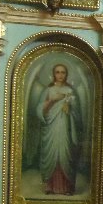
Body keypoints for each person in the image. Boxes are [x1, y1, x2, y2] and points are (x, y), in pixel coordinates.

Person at [35, 63, 83, 195]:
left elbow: (78, 113)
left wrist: (70, 108)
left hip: (66, 128)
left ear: (66, 74)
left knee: (65, 153)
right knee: (52, 152)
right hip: (51, 127)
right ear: (53, 74)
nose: (60, 75)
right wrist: (52, 100)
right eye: (57, 72)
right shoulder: (48, 90)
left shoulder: (70, 91)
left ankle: (68, 187)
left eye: (63, 72)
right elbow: (39, 110)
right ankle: (50, 186)